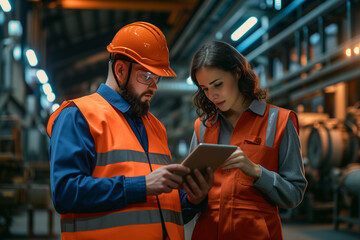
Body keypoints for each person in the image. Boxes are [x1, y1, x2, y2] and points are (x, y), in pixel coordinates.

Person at [46, 22, 213, 240]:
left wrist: (193, 200)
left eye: (157, 78)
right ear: (120, 70)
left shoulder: (156, 127)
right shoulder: (78, 116)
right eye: (146, 76)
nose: (154, 86)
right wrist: (142, 185)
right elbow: (65, 193)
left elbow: (165, 210)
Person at [187, 41, 307, 240]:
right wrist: (192, 194)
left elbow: (294, 194)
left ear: (237, 73)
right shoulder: (202, 127)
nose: (212, 95)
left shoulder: (279, 122)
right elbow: (190, 195)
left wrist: (257, 172)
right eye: (204, 89)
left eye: (217, 84)